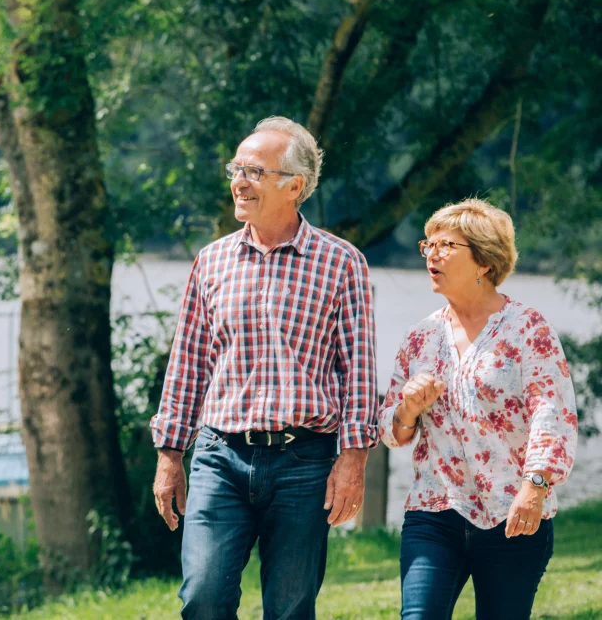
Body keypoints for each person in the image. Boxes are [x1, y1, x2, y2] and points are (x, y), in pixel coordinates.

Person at [151, 116, 378, 620]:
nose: (238, 181)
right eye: (236, 168)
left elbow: (358, 371)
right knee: (202, 599)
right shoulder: (210, 262)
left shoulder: (343, 263)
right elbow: (188, 362)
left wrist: (353, 460)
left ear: (294, 186)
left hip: (305, 462)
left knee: (290, 608)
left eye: (253, 170)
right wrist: (170, 455)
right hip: (219, 456)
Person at [379, 199, 578, 620]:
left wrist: (535, 486)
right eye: (428, 244)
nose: (432, 253)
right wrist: (407, 409)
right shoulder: (421, 337)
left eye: (447, 245)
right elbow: (392, 431)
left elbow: (552, 412)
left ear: (484, 262)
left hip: (514, 514)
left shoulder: (528, 328)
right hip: (434, 512)